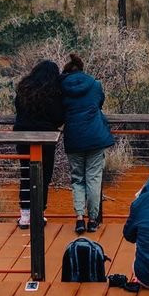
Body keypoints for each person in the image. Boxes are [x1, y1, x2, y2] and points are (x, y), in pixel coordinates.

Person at [60, 54, 113, 234]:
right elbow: (99, 103)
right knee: (94, 178)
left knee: (78, 179)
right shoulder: (95, 85)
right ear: (82, 69)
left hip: (74, 138)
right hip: (95, 137)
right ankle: (93, 219)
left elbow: (59, 111)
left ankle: (79, 218)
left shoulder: (61, 87)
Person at [14, 60, 64, 229]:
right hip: (45, 138)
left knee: (26, 173)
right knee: (44, 175)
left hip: (23, 137)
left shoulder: (24, 88)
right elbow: (59, 117)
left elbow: (19, 111)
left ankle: (25, 215)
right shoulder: (54, 92)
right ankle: (39, 214)